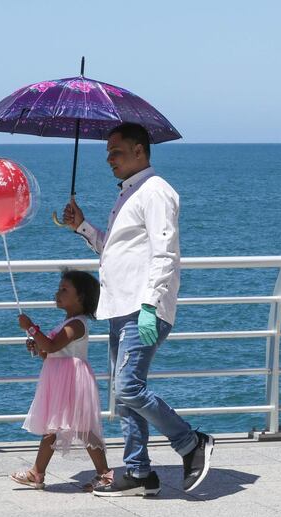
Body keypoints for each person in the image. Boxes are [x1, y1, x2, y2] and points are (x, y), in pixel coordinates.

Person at [62, 122, 214, 497]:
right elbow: (114, 252)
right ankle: (138, 471)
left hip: (142, 307)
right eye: (108, 153)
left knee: (128, 386)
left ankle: (191, 442)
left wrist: (150, 305)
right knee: (124, 393)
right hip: (120, 306)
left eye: (116, 151)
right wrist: (82, 226)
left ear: (140, 151)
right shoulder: (128, 195)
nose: (110, 158)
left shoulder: (156, 192)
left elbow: (166, 252)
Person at [10, 269, 112, 492]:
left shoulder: (76, 324)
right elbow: (48, 352)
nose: (57, 293)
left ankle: (104, 473)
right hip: (60, 378)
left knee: (82, 428)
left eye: (64, 290)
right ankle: (37, 472)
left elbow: (52, 345)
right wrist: (37, 346)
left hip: (72, 379)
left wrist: (30, 327)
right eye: (59, 288)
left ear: (81, 297)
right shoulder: (67, 322)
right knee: (54, 427)